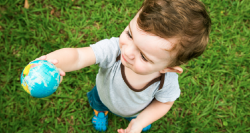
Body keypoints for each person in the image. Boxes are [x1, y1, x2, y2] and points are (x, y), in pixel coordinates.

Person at [36, 0, 211, 132]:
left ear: (167, 68)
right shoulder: (114, 50)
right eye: (129, 34)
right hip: (103, 95)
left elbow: (163, 103)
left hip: (137, 108)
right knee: (98, 102)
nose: (127, 52)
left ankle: (134, 119)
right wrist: (51, 61)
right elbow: (79, 55)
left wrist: (140, 121)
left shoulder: (167, 81)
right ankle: (100, 112)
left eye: (143, 56)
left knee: (138, 116)